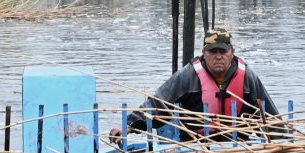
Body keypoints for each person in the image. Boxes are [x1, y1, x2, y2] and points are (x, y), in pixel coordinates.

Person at [116, 28, 278, 142]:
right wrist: (129, 125)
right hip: (195, 145)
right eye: (213, 52)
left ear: (232, 53)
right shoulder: (188, 76)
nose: (218, 57)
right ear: (204, 53)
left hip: (237, 146)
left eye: (223, 52)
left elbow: (269, 116)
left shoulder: (247, 78)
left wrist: (284, 142)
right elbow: (158, 103)